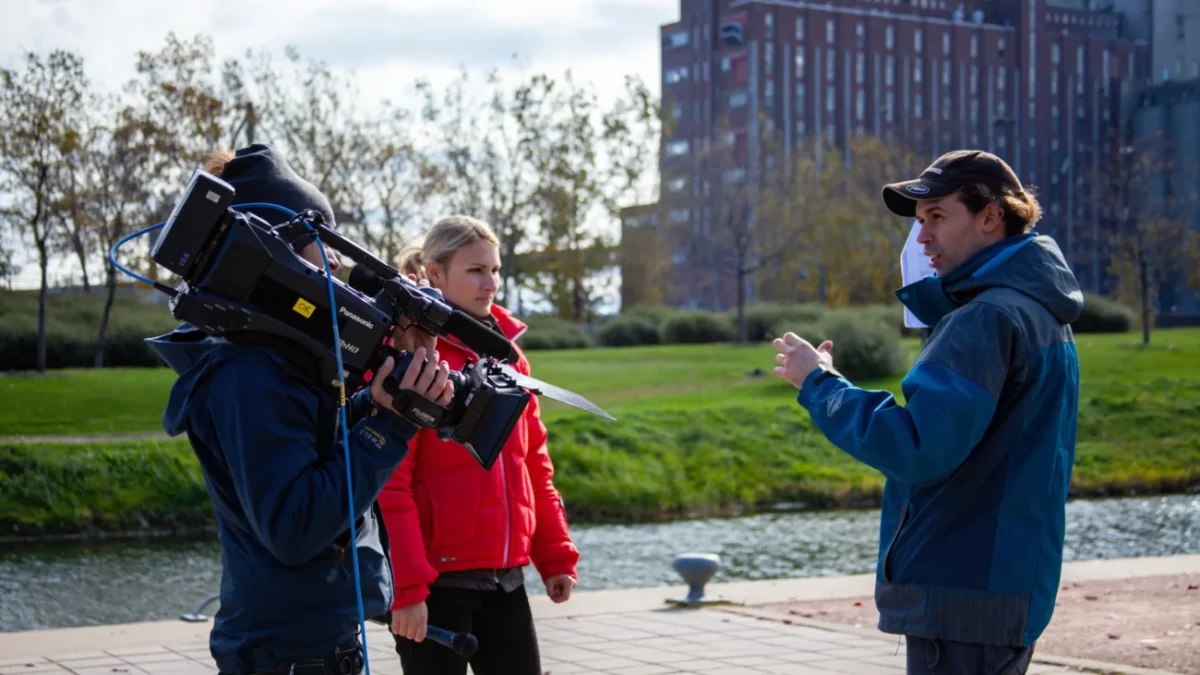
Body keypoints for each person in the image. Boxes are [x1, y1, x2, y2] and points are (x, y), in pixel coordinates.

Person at [146, 144, 455, 675]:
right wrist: (388, 427)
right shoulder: (248, 372)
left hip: (317, 644)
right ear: (271, 251)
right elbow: (295, 526)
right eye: (321, 243)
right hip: (289, 658)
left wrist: (386, 394)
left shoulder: (277, 360)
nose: (335, 260)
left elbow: (318, 458)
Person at [772, 150, 1082, 675]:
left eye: (938, 216)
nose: (922, 238)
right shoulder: (1036, 309)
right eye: (920, 221)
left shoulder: (984, 318)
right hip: (1005, 583)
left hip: (963, 589)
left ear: (992, 216)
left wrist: (819, 384)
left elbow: (917, 447)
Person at [379, 215, 579, 675]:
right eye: (475, 270)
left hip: (506, 578)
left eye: (495, 270)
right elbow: (391, 483)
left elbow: (534, 464)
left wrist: (554, 555)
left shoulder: (511, 358)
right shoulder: (412, 354)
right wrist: (407, 591)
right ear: (434, 273)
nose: (490, 283)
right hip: (436, 585)